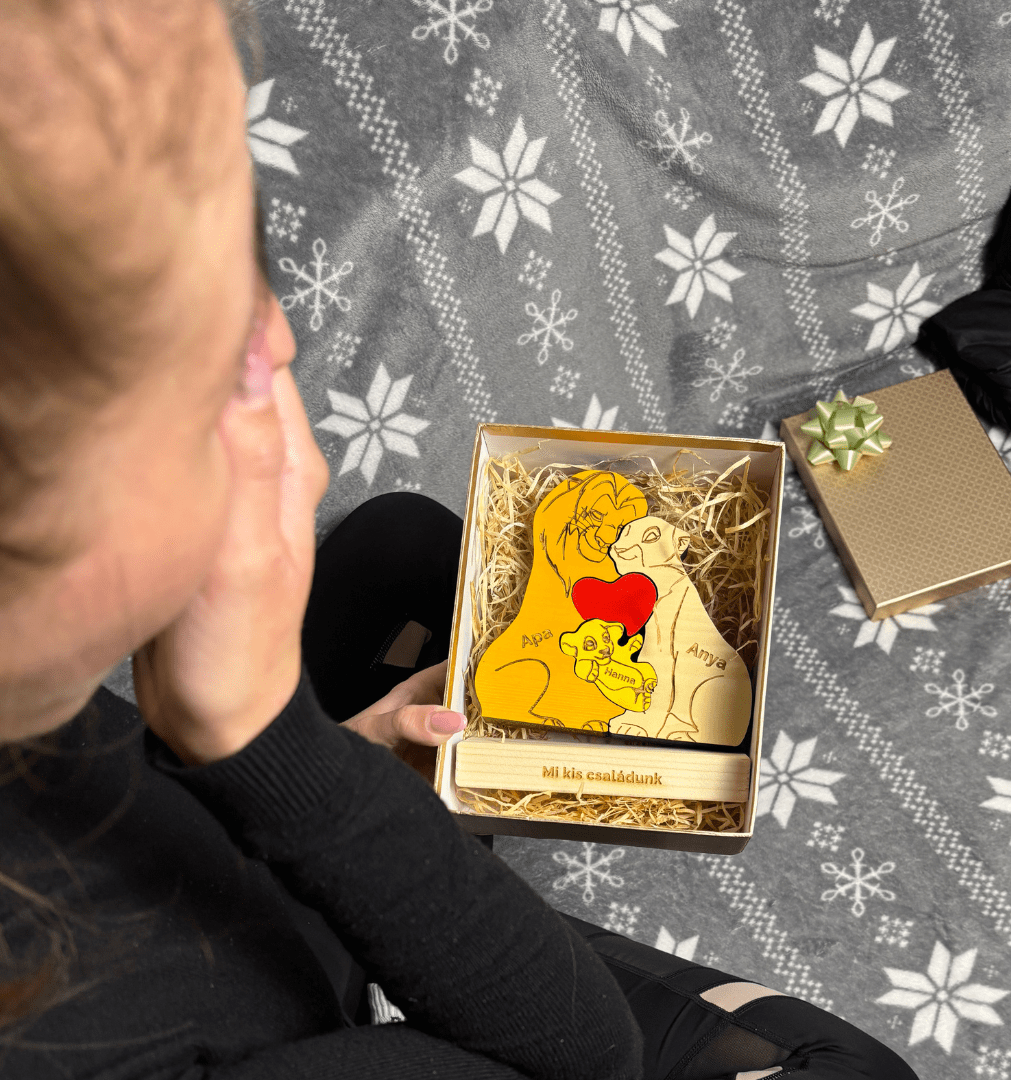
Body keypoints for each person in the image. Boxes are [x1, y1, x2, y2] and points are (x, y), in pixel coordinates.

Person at [0, 2, 921, 1078]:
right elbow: (584, 1056)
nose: (284, 339)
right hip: (401, 1019)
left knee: (408, 547)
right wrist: (270, 745)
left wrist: (317, 764)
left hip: (230, 893)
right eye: (222, 375)